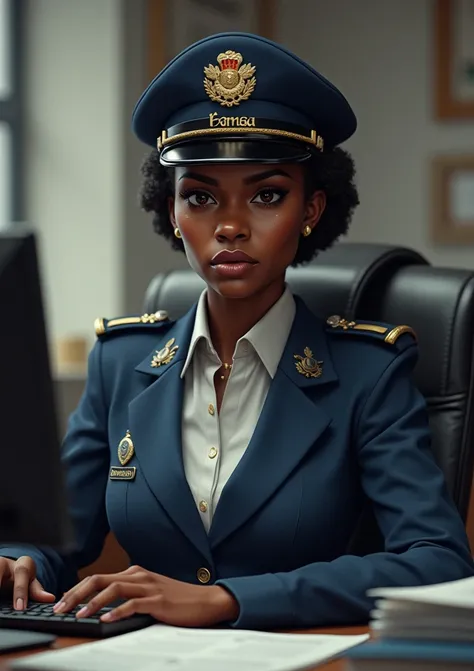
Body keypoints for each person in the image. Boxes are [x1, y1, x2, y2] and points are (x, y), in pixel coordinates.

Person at [0, 32, 473, 630]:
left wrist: (229, 599)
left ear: (311, 210)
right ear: (171, 211)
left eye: (267, 195)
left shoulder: (369, 372)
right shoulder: (121, 361)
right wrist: (16, 559)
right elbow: (58, 538)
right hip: (132, 666)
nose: (229, 226)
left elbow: (437, 561)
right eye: (200, 196)